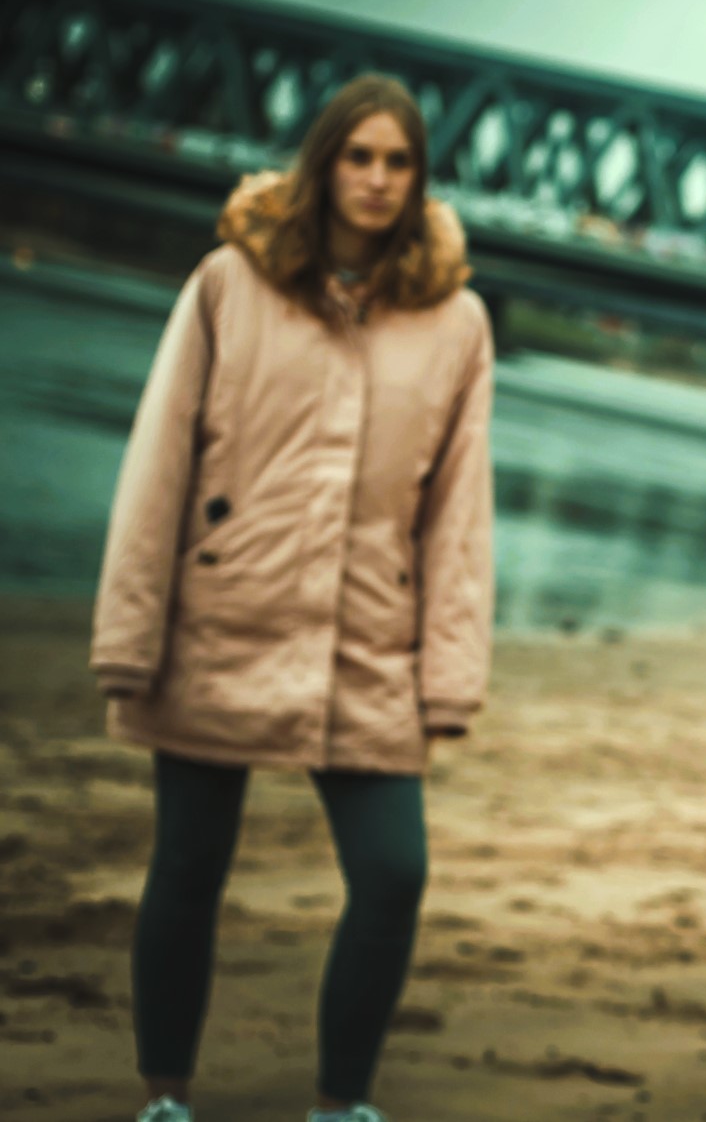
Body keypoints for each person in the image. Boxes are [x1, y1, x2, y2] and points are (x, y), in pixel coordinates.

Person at [90, 74, 496, 1122]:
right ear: (321, 164)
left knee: (394, 870)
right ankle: (165, 1098)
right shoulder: (231, 281)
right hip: (220, 614)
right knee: (188, 861)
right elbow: (157, 461)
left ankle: (340, 1106)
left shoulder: (455, 322)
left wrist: (448, 677)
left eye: (397, 160)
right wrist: (127, 636)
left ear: (419, 180)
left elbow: (458, 514)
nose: (376, 178)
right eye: (357, 156)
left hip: (368, 640)